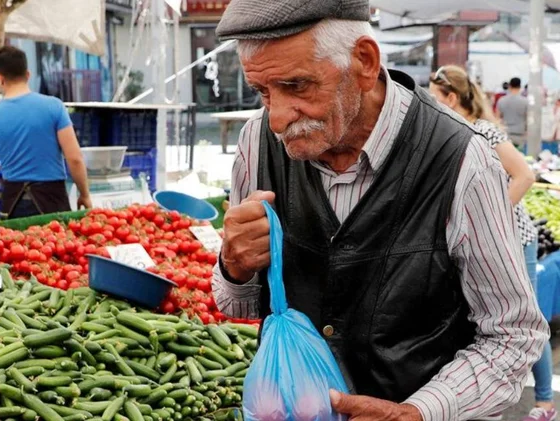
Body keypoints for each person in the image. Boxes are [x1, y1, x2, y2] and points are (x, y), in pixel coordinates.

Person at [212, 0, 549, 420]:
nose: (278, 118)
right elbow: (236, 306)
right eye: (263, 92)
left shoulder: (461, 160)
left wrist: (419, 411)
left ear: (365, 62)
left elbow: (514, 335)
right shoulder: (255, 144)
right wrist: (234, 265)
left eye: (297, 86)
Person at [430, 65, 552, 421]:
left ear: (452, 99)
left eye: (436, 99)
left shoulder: (481, 131)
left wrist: (488, 218)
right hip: (485, 243)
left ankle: (544, 402)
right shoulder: (453, 133)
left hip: (516, 240)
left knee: (524, 321)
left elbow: (525, 175)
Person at [0, 46, 92, 218]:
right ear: (28, 74)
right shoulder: (54, 107)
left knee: (19, 244)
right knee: (57, 244)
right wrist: (84, 194)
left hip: (14, 205)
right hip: (53, 201)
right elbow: (75, 159)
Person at [498, 77, 530, 147]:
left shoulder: (502, 100)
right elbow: (528, 118)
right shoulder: (525, 101)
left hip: (505, 133)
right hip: (520, 134)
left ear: (510, 86)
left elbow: (498, 117)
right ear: (520, 86)